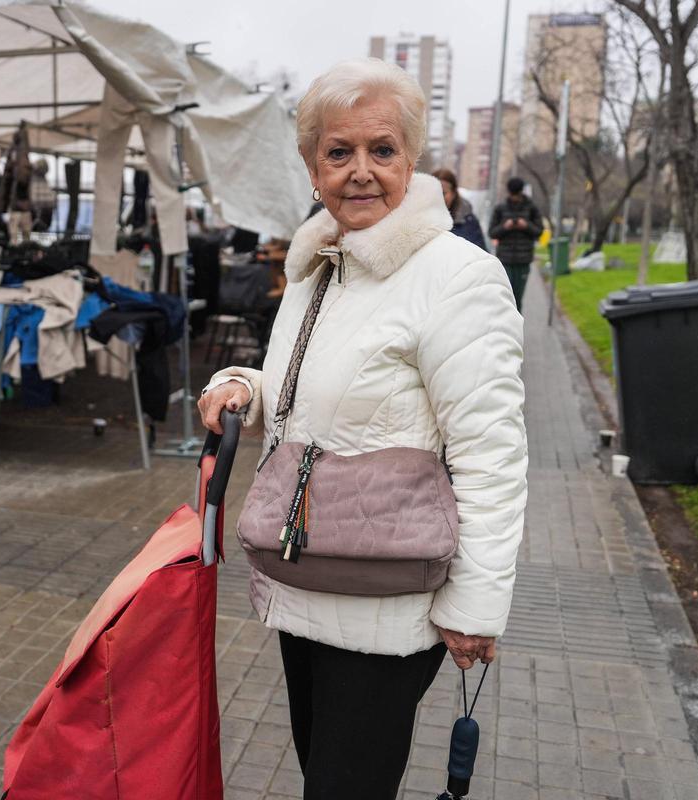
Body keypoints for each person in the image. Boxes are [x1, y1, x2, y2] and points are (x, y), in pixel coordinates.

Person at [197, 58, 527, 799]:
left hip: (386, 603)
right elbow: (309, 389)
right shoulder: (320, 265)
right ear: (313, 167)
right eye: (338, 152)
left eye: (382, 150)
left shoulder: (456, 277)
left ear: (412, 160)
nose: (361, 172)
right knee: (326, 777)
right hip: (305, 574)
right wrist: (240, 383)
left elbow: (493, 453)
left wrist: (475, 605)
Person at [488, 176, 543, 312]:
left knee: (517, 298)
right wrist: (505, 226)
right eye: (513, 195)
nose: (515, 198)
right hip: (505, 260)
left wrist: (526, 225)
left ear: (521, 192)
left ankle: (516, 329)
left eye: (517, 195)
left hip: (523, 261)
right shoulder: (500, 208)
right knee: (504, 298)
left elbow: (539, 231)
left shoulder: (531, 208)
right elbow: (492, 232)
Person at [431, 167, 486, 249]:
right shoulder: (418, 219)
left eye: (443, 193)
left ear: (453, 193)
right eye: (434, 192)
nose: (438, 197)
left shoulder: (469, 221)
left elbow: (481, 253)